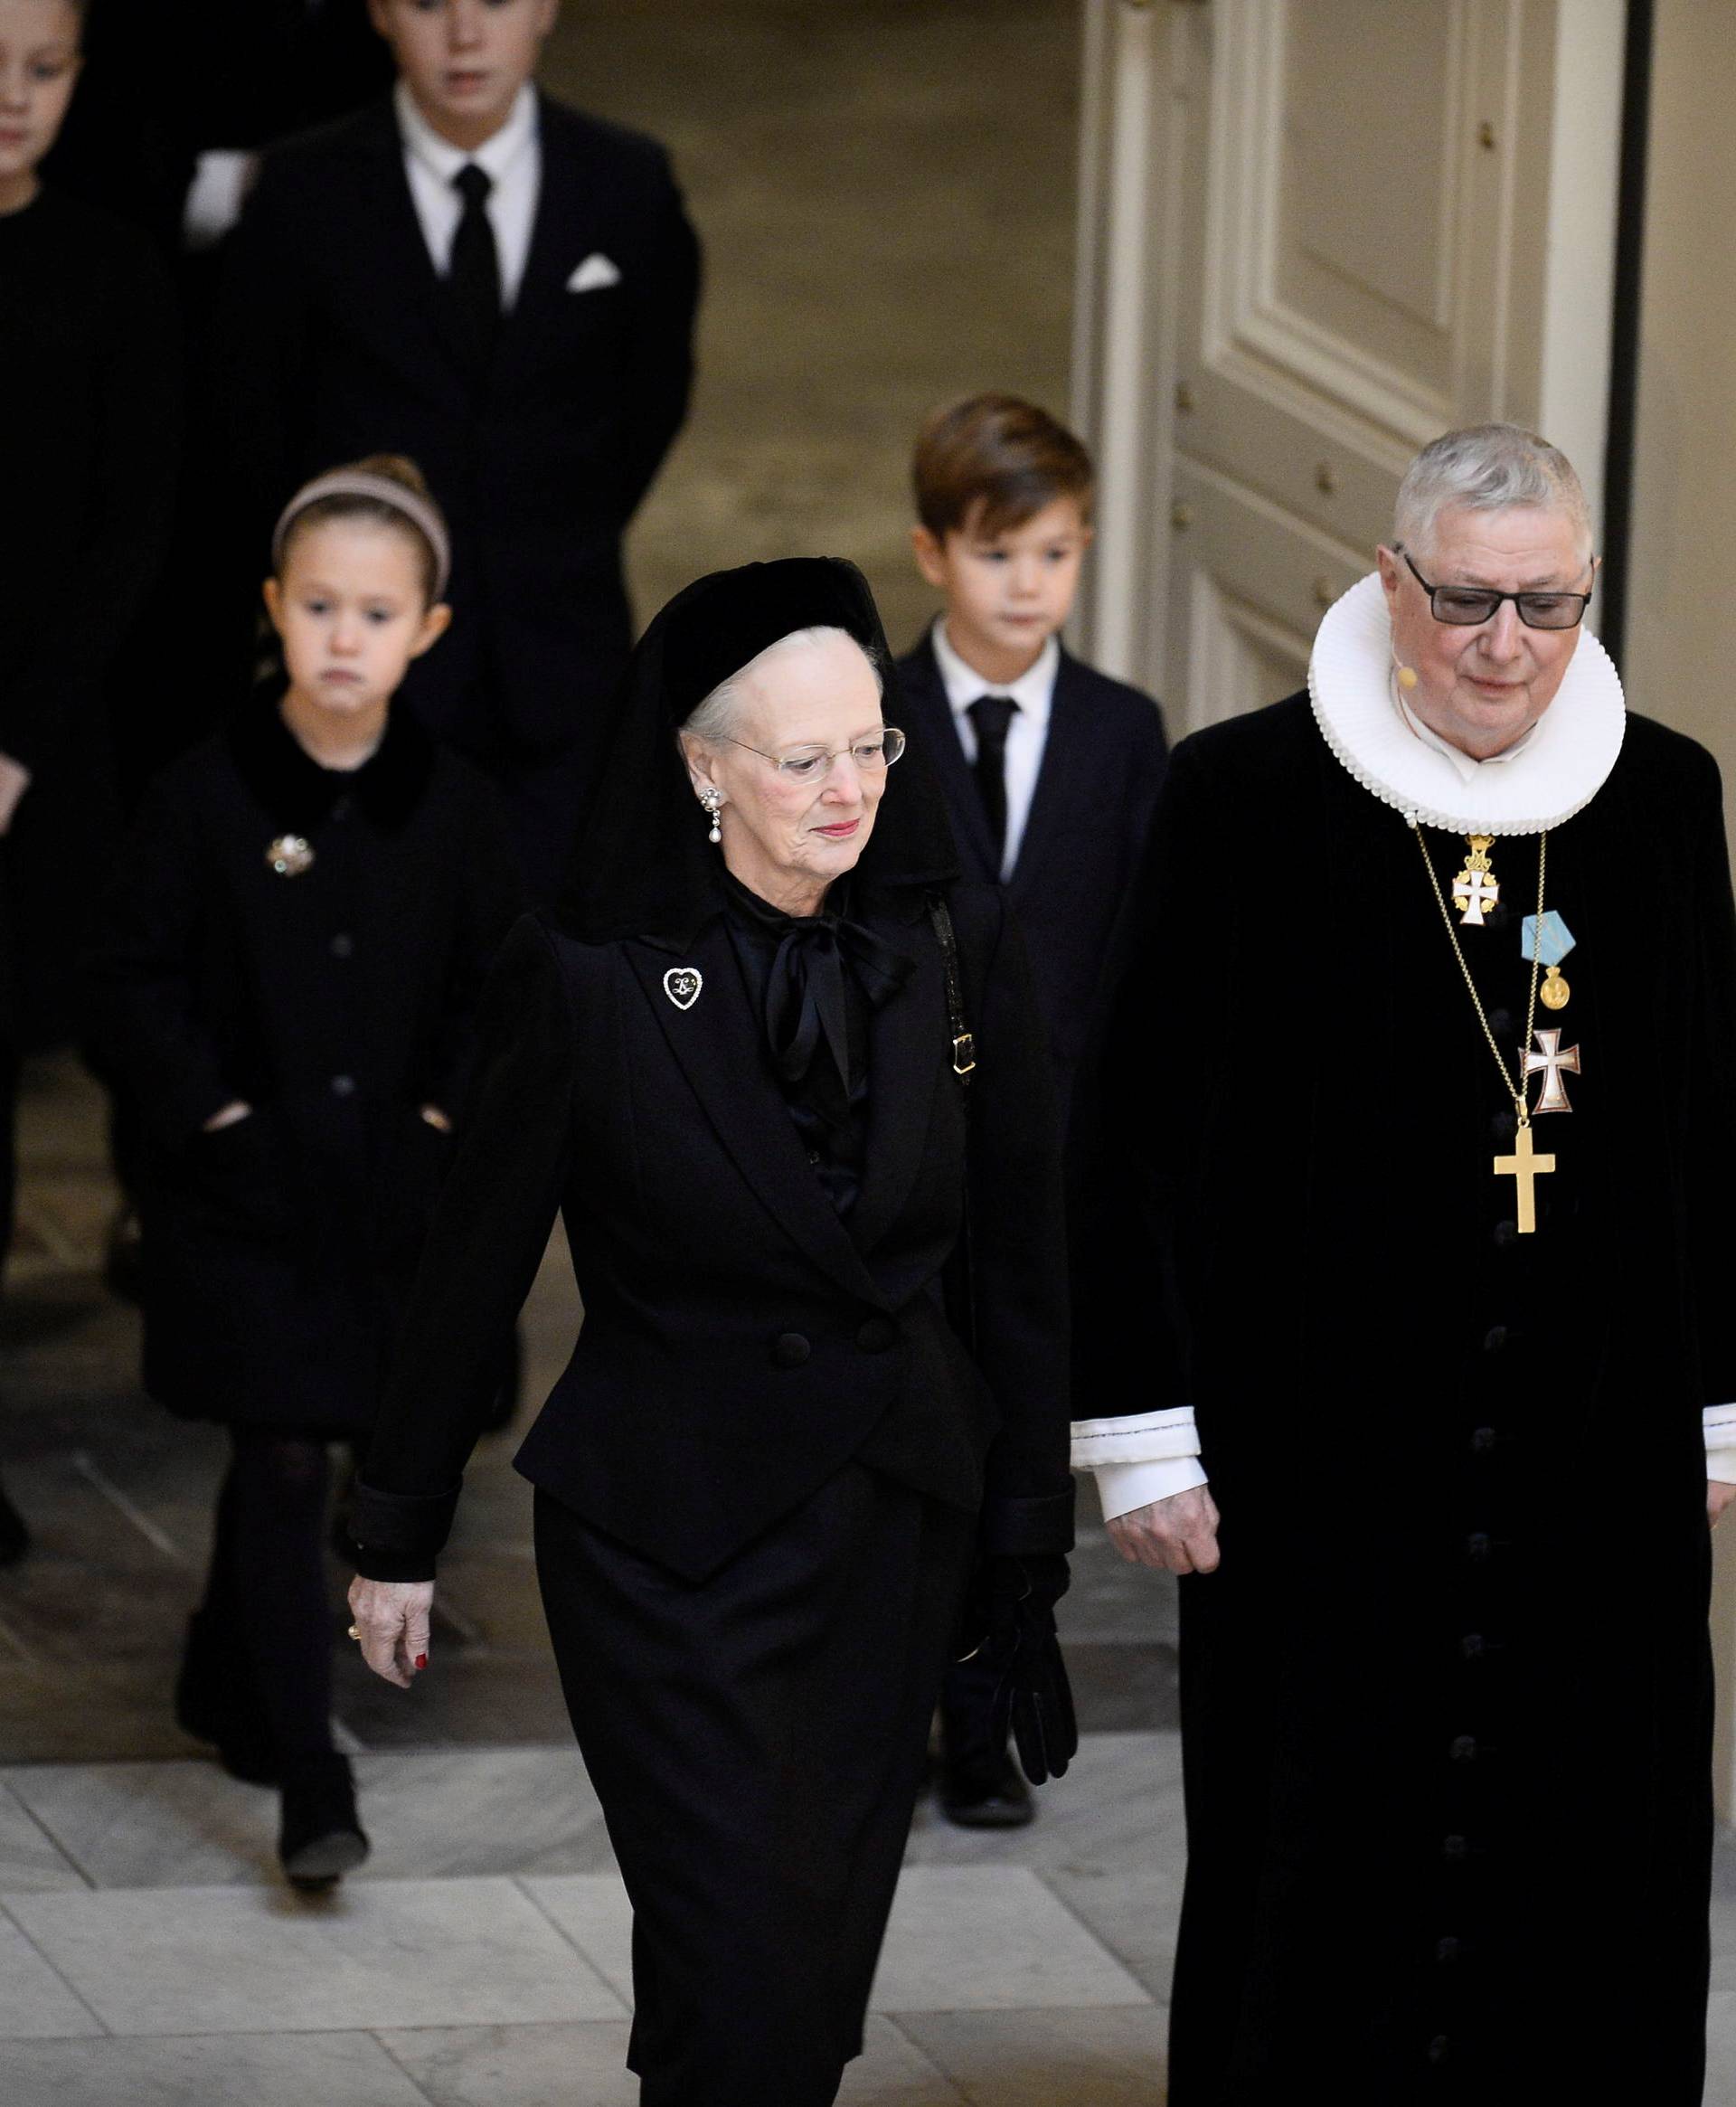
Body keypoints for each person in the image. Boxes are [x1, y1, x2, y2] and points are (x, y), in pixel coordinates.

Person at [345, 558, 1077, 2106]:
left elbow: (1018, 1263)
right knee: (732, 1959)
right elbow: (469, 1263)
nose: (848, 790)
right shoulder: (593, 979)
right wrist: (396, 1527)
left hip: (892, 1537)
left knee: (803, 1987)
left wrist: (1024, 1545)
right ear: (701, 768)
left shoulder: (958, 946)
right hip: (670, 1551)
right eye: (802, 759)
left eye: (870, 747)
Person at [1078, 424, 1736, 2102]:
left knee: (1592, 1872)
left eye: (1547, 604)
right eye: (1465, 602)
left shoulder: (1664, 798)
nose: (1507, 645)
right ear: (1388, 584)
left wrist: (1715, 1402)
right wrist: (1144, 1427)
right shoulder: (1241, 799)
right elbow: (1126, 1134)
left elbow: (1713, 1120)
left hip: (1598, 1467)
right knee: (1320, 1873)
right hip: (1319, 1472)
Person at [81, 458, 523, 1888]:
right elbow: (132, 978)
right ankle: (312, 1770)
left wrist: (447, 1122)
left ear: (427, 632)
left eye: (376, 611)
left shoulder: (457, 811)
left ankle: (231, 1665)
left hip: (394, 1201)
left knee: (349, 1451)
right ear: (275, 607)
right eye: (319, 603)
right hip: (248, 1200)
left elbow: (495, 993)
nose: (345, 634)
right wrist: (212, 1120)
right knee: (275, 1452)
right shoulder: (201, 796)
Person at [211, 0, 702, 902]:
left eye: (497, 1)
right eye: (431, 4)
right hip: (369, 677)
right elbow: (256, 424)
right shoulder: (300, 193)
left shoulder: (626, 185)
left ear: (547, 8)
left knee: (555, 954)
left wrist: (553, 536)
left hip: (565, 659)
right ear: (381, 12)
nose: (466, 36)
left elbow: (648, 400)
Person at [900, 392, 1168, 1826]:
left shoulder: (1125, 732)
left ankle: (991, 1709)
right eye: (999, 553)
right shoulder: (870, 716)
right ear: (934, 551)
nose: (1027, 584)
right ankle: (889, 1691)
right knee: (907, 1419)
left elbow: (1136, 940)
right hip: (900, 1142)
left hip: (1052, 1147)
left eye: (1054, 555)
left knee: (1022, 1428)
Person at [0, 0, 180, 1558]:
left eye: (45, 71)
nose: (12, 99)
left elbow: (132, 533)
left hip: (31, 759)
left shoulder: (112, 274)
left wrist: (15, 744)